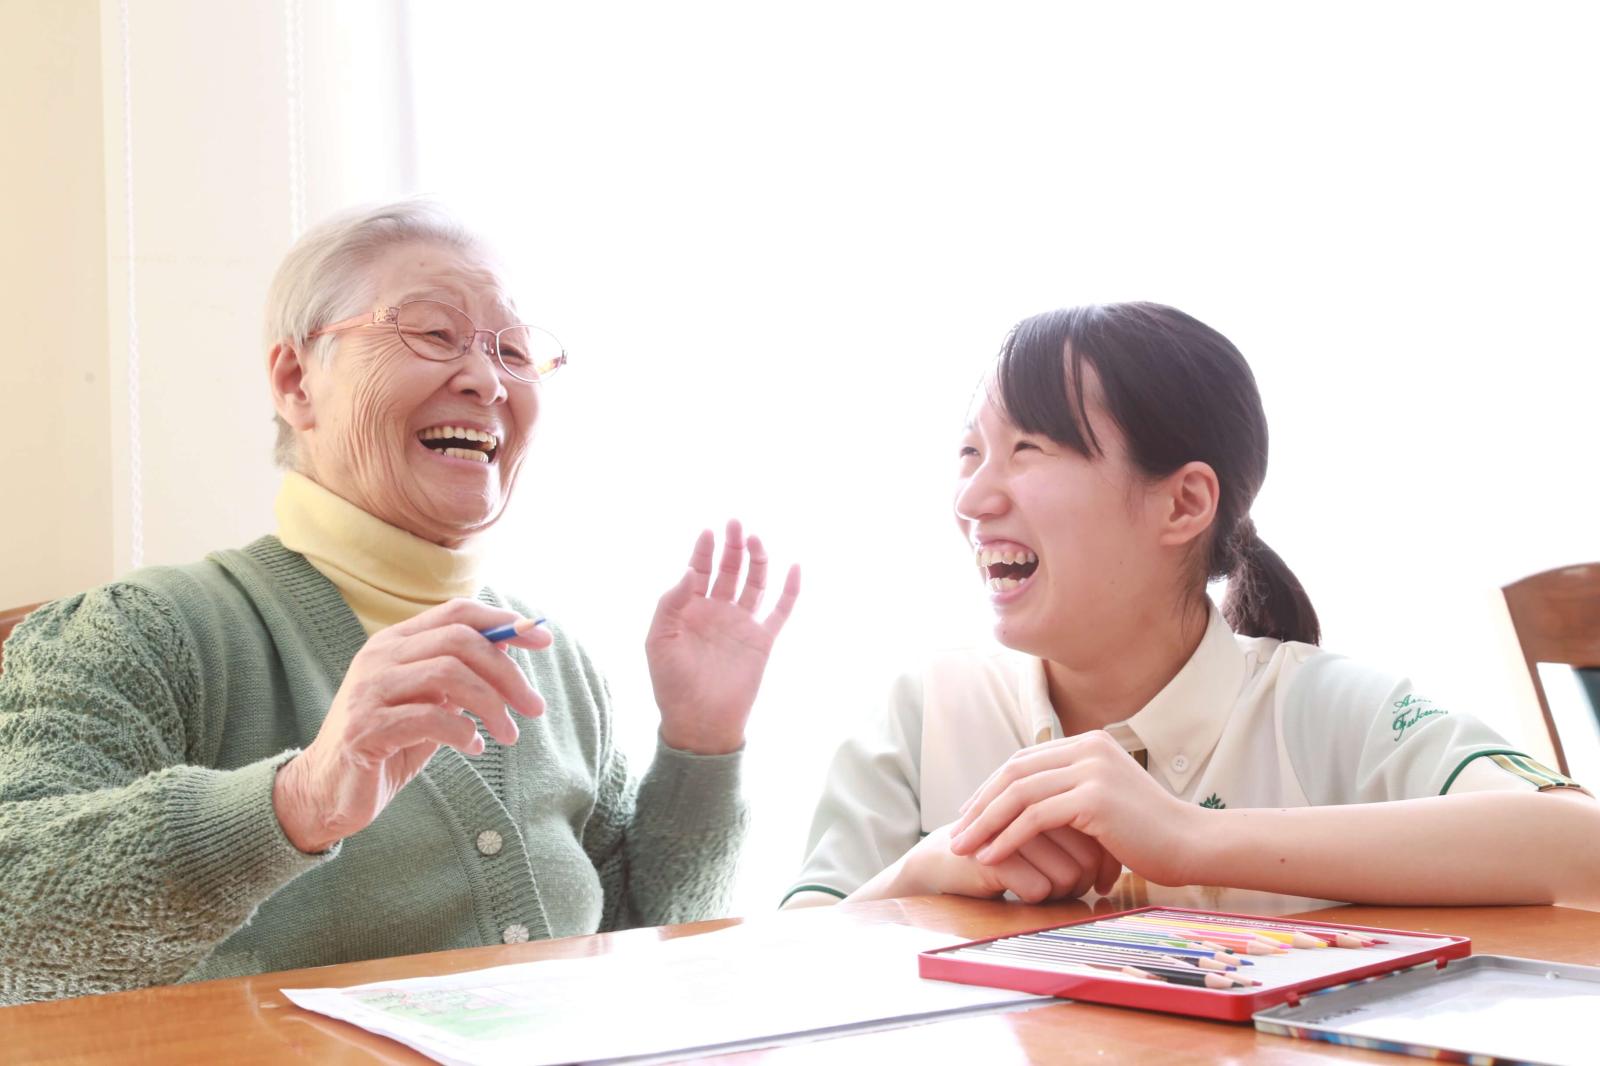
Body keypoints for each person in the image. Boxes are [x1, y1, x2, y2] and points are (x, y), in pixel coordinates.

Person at [0, 201, 799, 1006]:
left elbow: (644, 951)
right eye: (433, 333)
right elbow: (14, 926)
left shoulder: (556, 664)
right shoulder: (142, 633)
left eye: (513, 351)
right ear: (295, 381)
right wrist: (301, 798)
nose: (487, 380)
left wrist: (701, 746)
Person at [785, 301, 1598, 909]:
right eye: (970, 452)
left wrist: (1188, 839)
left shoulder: (1323, 711)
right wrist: (920, 874)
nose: (972, 497)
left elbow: (1582, 848)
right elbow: (773, 986)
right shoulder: (923, 714)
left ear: (1182, 505)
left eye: (1027, 448)